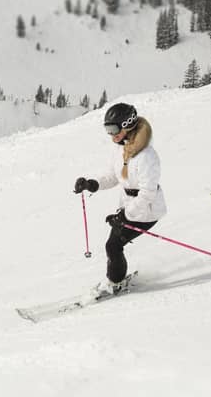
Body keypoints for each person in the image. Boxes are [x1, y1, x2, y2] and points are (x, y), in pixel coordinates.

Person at [73, 102, 167, 295]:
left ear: (127, 125)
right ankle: (116, 279)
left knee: (113, 245)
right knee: (113, 245)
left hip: (147, 211)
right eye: (107, 130)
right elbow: (113, 176)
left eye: (114, 129)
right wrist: (92, 184)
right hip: (130, 207)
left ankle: (116, 282)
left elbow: (148, 194)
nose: (111, 135)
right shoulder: (120, 149)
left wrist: (125, 216)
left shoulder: (147, 156)